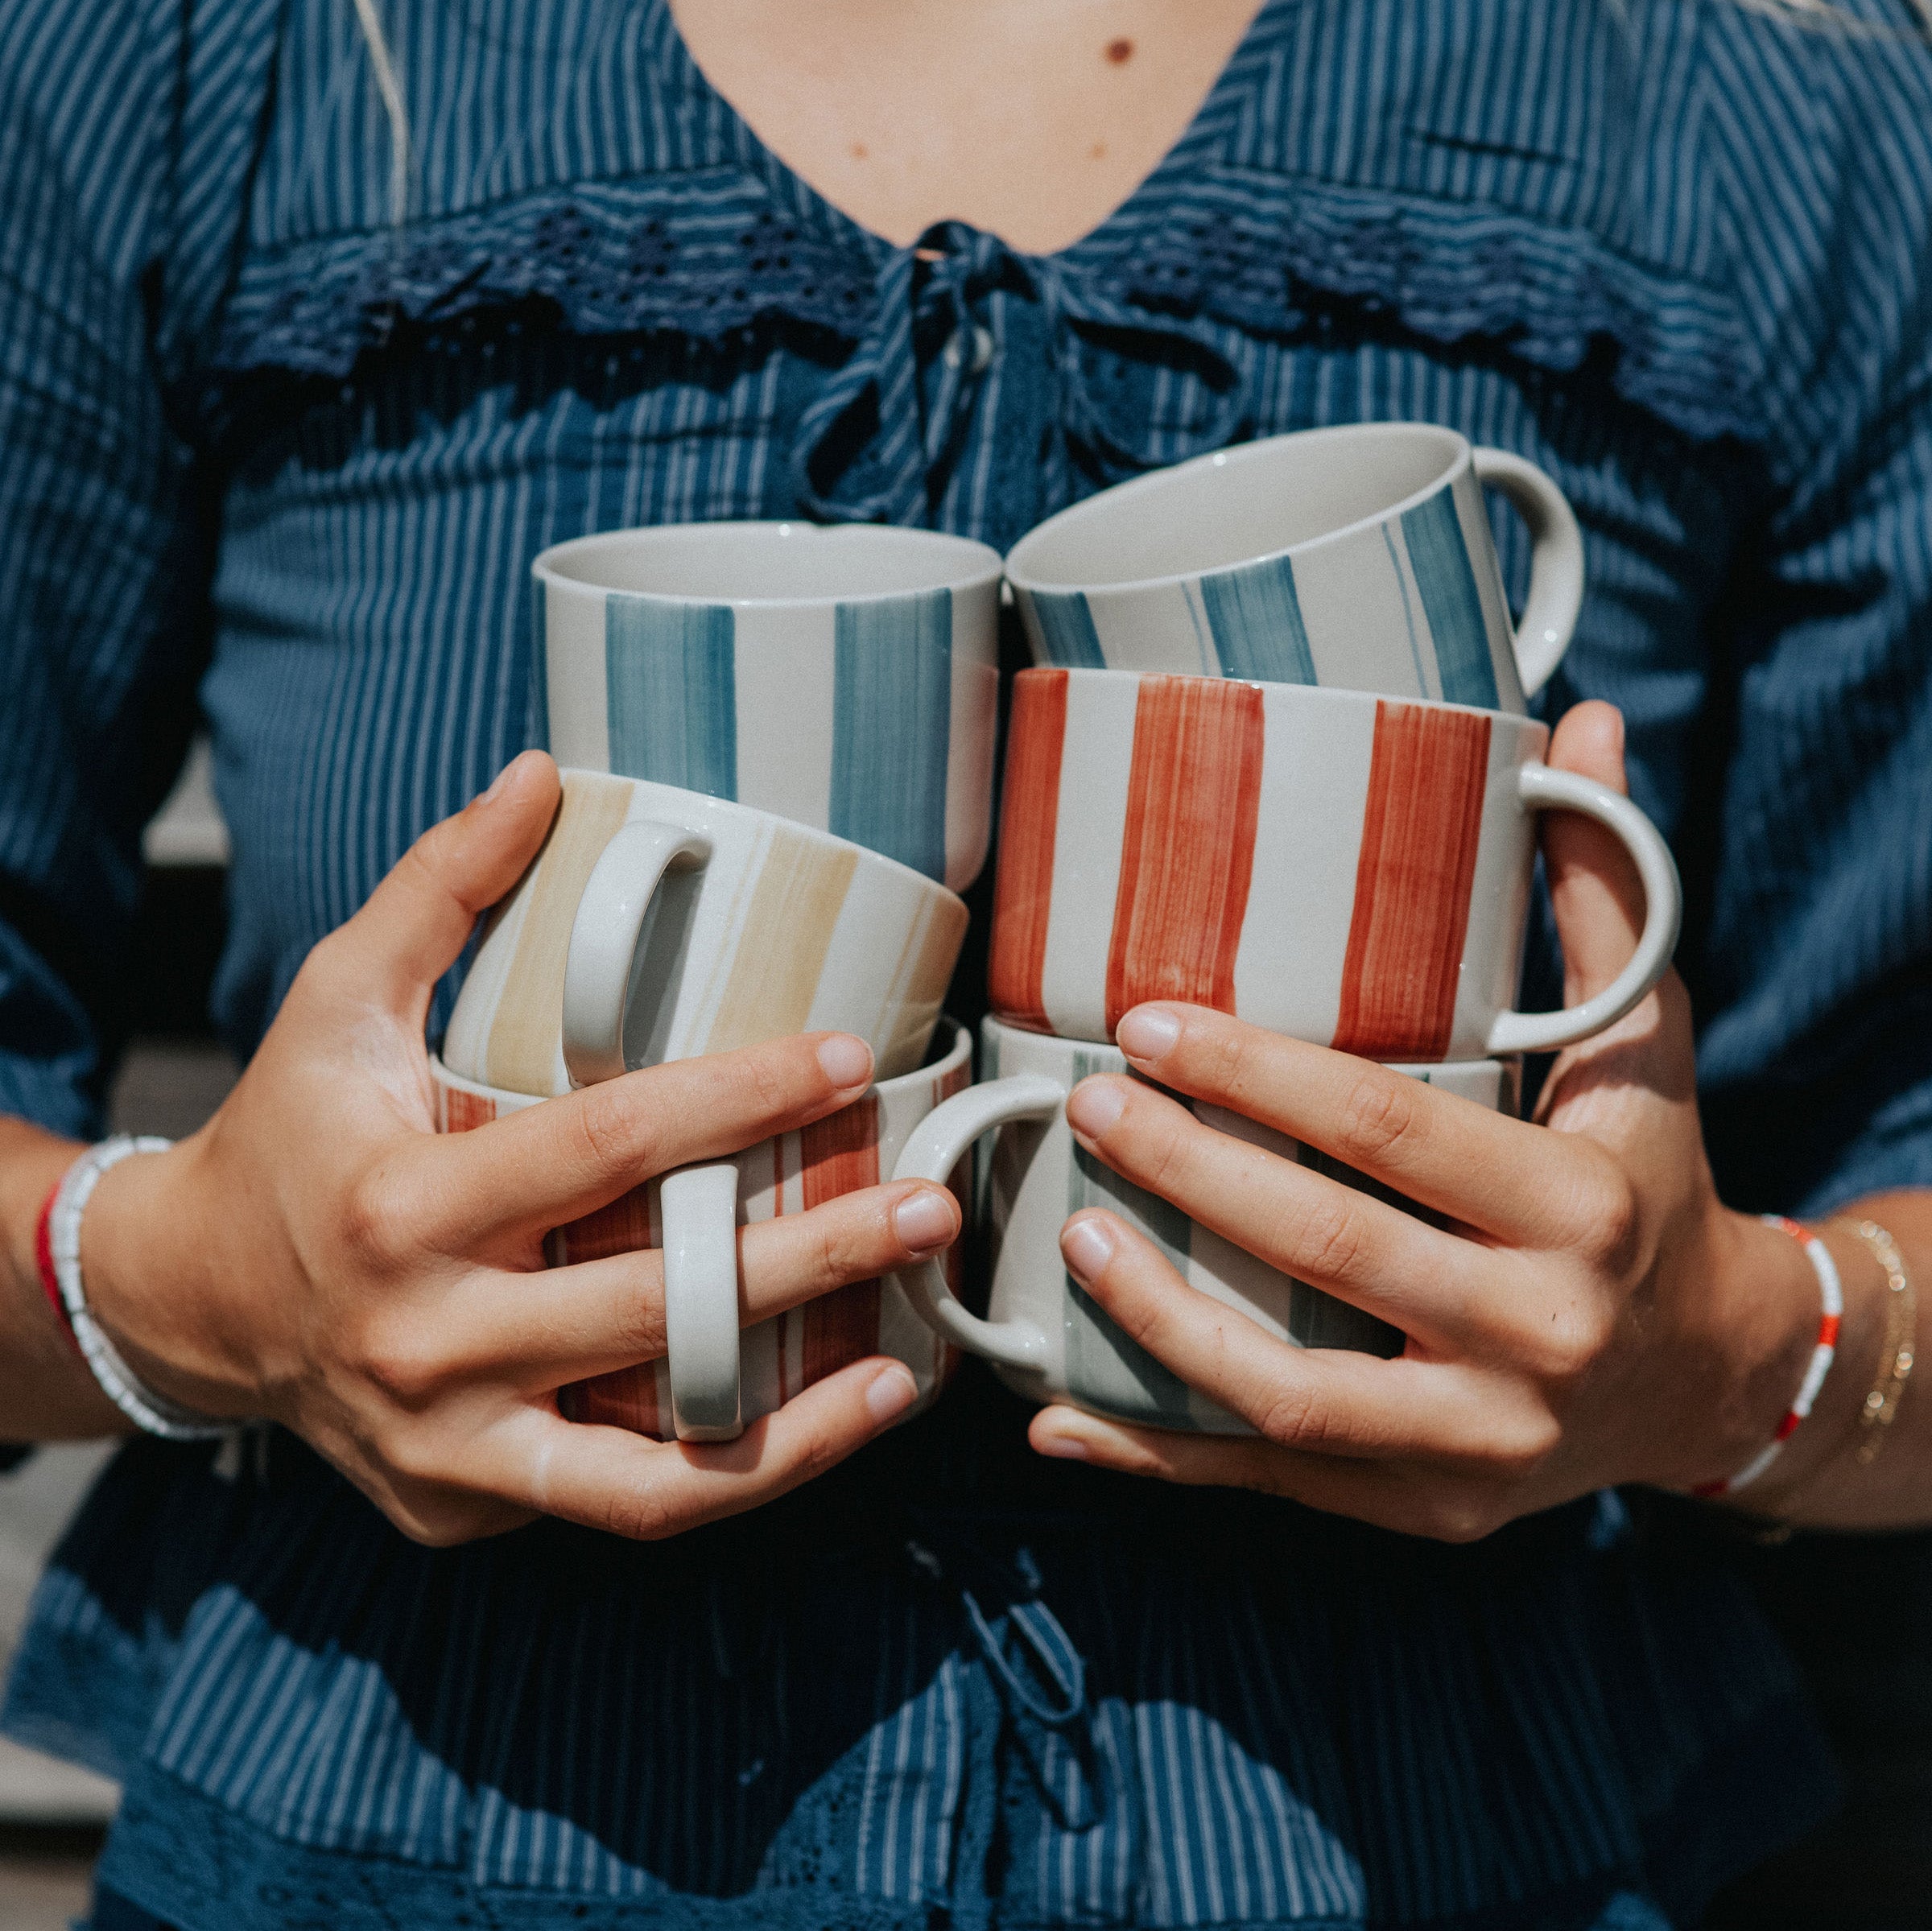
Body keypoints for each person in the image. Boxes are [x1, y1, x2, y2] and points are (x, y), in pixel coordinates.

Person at [2, 1, 1930, 1925]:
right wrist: (200, 1285)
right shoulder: (208, 57)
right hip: (395, 1840)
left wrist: (1723, 1357)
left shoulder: (1765, 112)